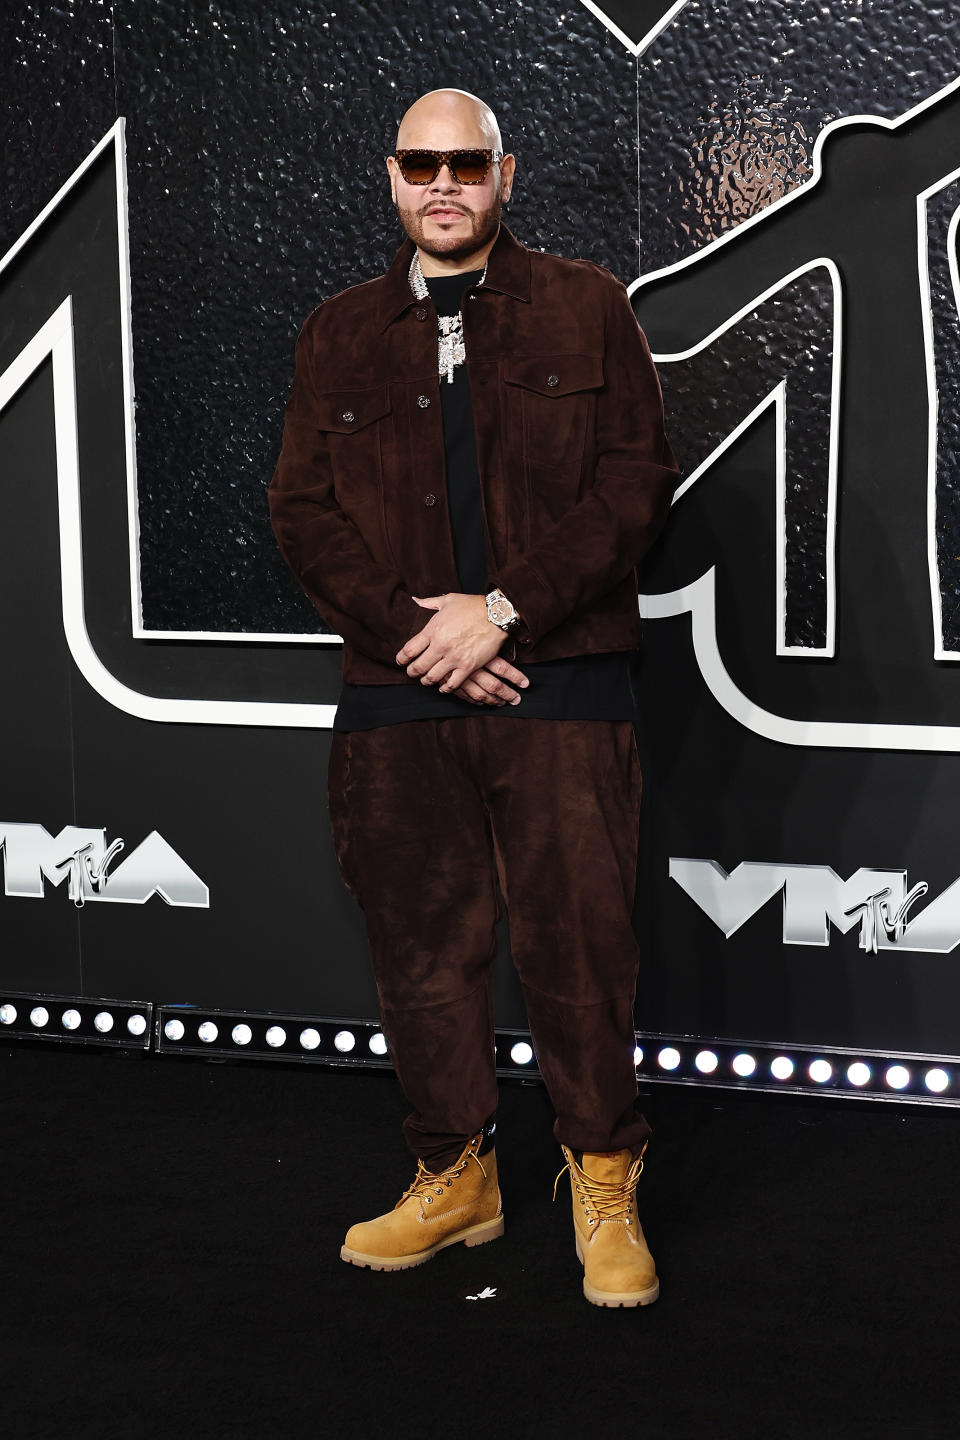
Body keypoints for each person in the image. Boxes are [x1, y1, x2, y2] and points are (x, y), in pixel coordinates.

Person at [268, 87, 679, 1308]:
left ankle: (603, 1179)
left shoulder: (588, 304)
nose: (441, 184)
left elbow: (635, 485)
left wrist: (499, 613)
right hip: (398, 692)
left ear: (507, 174)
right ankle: (455, 1176)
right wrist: (416, 634)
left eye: (466, 163)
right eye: (418, 163)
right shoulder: (337, 331)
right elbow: (302, 513)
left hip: (563, 675)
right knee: (421, 954)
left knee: (581, 947)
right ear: (391, 177)